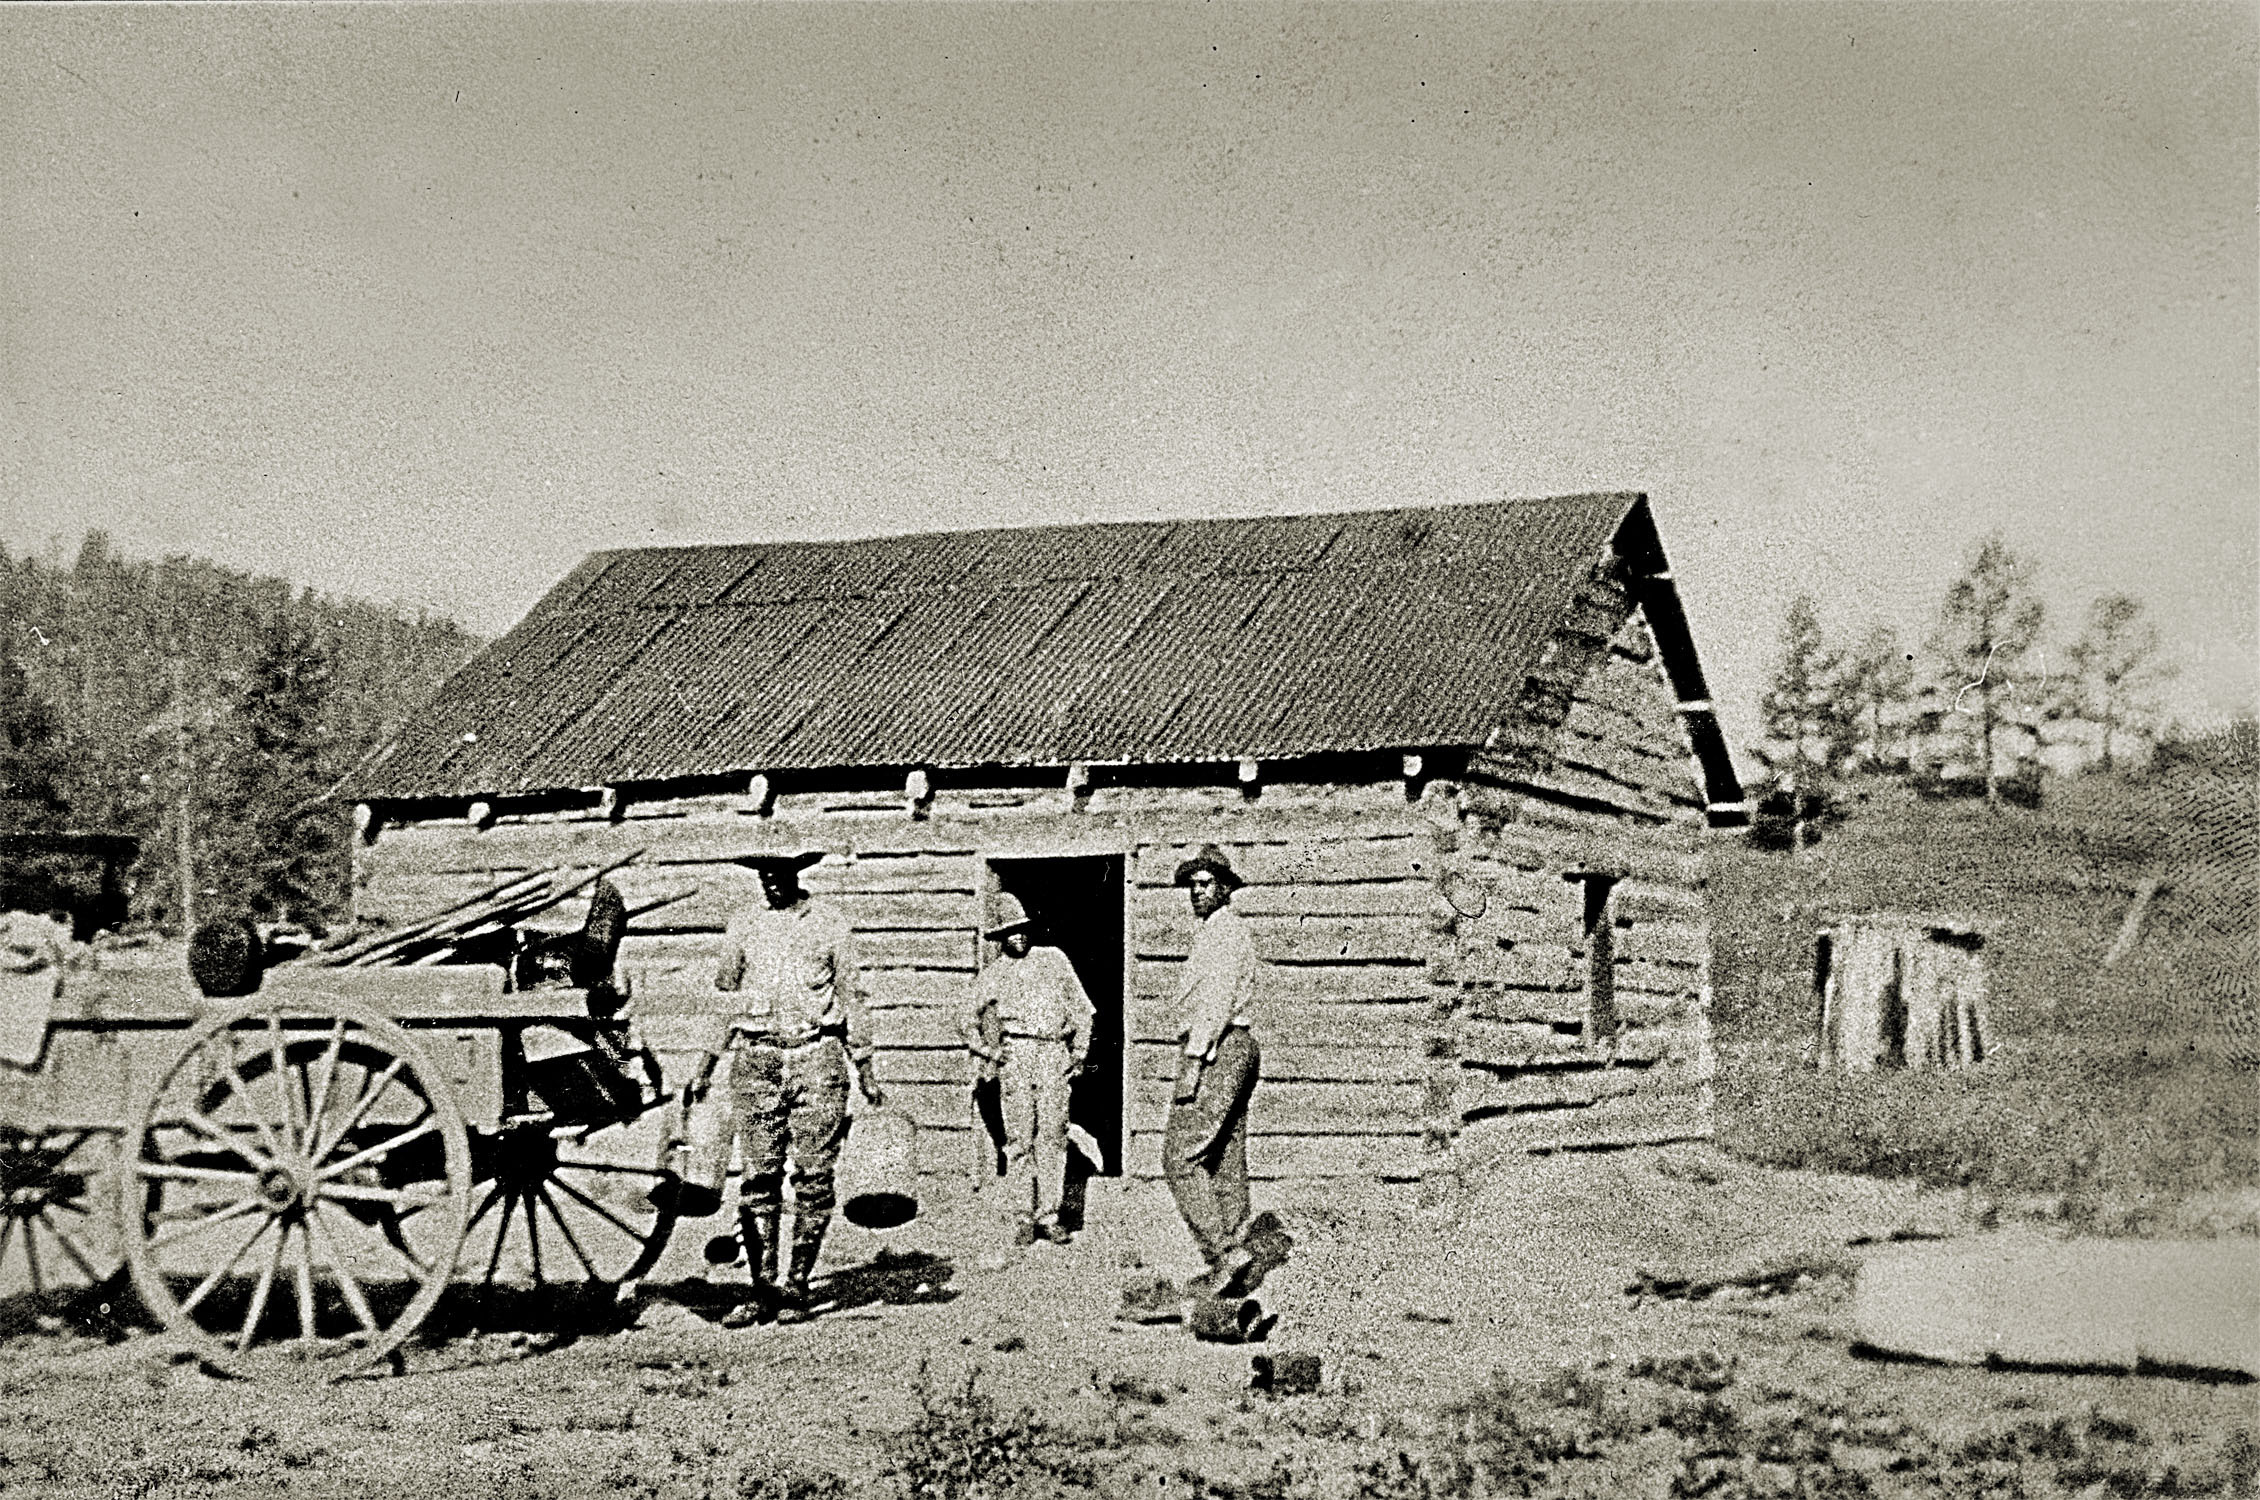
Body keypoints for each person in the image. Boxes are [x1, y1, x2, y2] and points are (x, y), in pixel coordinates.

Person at [709, 850, 884, 1325]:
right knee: (758, 1176)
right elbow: (725, 997)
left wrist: (863, 1063)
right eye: (764, 877)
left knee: (813, 1175)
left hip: (817, 1058)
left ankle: (796, 1285)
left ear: (796, 876)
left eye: (779, 876)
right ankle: (761, 1289)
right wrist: (707, 1062)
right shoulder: (744, 926)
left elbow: (851, 995)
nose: (771, 884)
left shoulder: (828, 924)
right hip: (757, 1057)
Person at [962, 893, 1093, 1247]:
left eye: (1021, 930)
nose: (1018, 937)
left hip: (1053, 1053)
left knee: (1052, 1134)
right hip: (1016, 1055)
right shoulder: (994, 974)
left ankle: (1049, 1215)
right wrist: (991, 1052)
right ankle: (1023, 1215)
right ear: (1000, 938)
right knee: (1019, 1139)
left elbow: (1084, 1011)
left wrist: (1079, 1052)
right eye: (1009, 932)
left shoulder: (1054, 960)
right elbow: (964, 1020)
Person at [1163, 845, 1262, 1296]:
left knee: (1180, 1158)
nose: (1197, 893)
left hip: (1218, 1048)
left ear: (1225, 889)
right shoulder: (1216, 932)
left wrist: (1194, 1059)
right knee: (1223, 1158)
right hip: (1231, 1046)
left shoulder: (1224, 934)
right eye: (1193, 886)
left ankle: (1223, 1255)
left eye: (1206, 885)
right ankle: (1239, 1259)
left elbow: (1217, 1001)